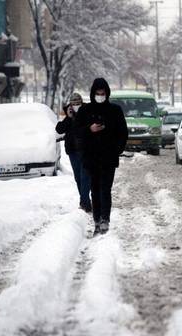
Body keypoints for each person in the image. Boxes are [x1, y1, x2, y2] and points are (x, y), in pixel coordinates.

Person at [76, 78, 128, 236]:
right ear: (93, 93)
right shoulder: (85, 111)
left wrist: (116, 149)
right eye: (97, 93)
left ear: (107, 93)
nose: (100, 96)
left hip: (108, 157)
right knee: (95, 190)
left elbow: (123, 132)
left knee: (105, 189)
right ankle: (97, 220)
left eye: (102, 93)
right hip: (91, 158)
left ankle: (105, 219)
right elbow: (77, 131)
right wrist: (89, 129)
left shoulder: (115, 110)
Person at [56, 93, 92, 213]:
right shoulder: (69, 115)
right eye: (74, 104)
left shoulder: (87, 112)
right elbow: (59, 129)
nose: (76, 106)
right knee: (78, 178)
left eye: (78, 104)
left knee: (85, 176)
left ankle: (84, 203)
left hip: (86, 150)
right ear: (71, 105)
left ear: (82, 103)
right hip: (73, 151)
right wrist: (68, 117)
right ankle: (86, 201)